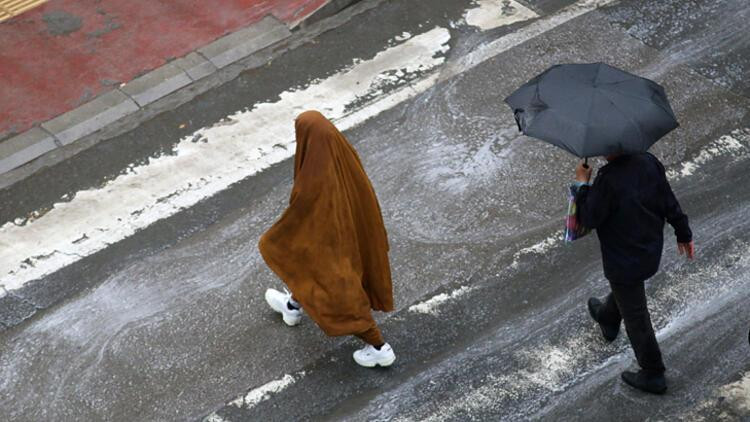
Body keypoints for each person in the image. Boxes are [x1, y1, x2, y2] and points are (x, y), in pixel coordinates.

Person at [259, 110, 396, 368]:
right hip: (350, 232)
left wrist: (280, 236)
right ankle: (292, 306)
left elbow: (304, 203)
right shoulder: (342, 155)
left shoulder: (315, 173)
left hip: (332, 240)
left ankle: (378, 346)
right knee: (310, 270)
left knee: (339, 292)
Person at [575, 152, 694, 394]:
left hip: (622, 258)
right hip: (650, 249)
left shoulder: (608, 179)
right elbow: (668, 200)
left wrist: (582, 184)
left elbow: (588, 217)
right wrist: (683, 232)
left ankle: (653, 372)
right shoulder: (648, 162)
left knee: (636, 316)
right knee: (627, 293)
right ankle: (608, 316)